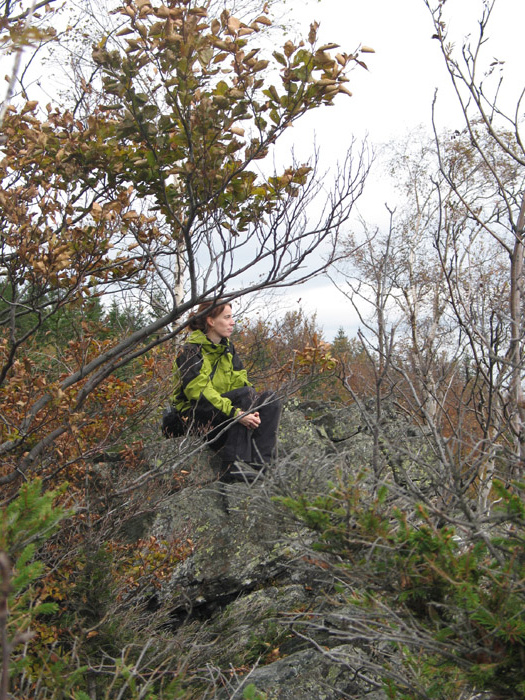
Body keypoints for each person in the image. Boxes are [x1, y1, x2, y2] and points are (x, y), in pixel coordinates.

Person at [172, 300, 281, 482]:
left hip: (220, 414)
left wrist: (254, 411)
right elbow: (199, 393)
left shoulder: (228, 349)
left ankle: (263, 465)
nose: (232, 322)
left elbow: (243, 384)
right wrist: (236, 412)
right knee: (246, 396)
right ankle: (233, 466)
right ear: (211, 321)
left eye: (232, 317)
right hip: (192, 417)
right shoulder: (190, 351)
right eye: (227, 317)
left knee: (270, 399)